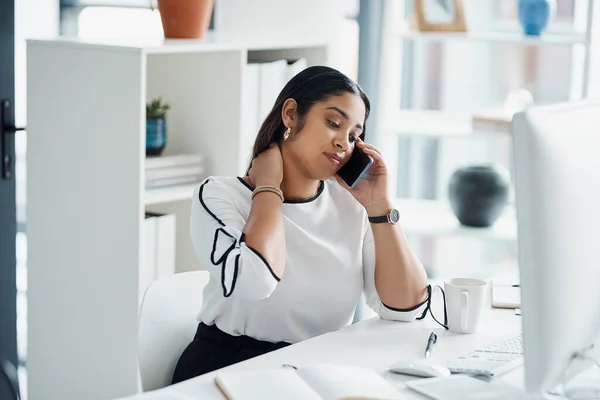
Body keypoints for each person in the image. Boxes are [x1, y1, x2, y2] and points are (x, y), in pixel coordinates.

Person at [171, 66, 429, 384]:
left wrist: (380, 208)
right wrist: (268, 187)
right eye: (333, 123)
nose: (343, 143)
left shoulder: (351, 205)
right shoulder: (220, 195)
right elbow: (256, 281)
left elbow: (406, 307)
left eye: (354, 136)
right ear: (291, 114)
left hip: (314, 372)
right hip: (227, 372)